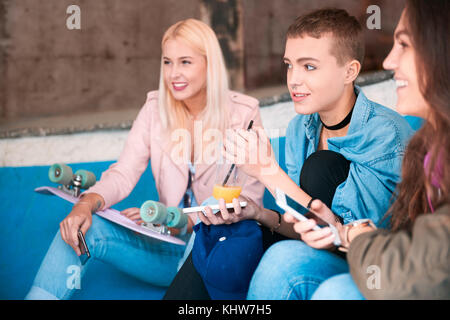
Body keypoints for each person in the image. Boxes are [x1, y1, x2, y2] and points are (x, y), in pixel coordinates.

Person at [24, 18, 265, 300]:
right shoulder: (154, 109)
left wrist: (179, 220)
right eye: (167, 62)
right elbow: (123, 172)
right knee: (82, 225)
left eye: (185, 62)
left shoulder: (243, 113)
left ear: (209, 64)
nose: (173, 73)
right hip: (168, 253)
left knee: (216, 203)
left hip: (218, 255)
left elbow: (247, 201)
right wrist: (85, 204)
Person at [219, 8, 415, 300]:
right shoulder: (301, 127)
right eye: (289, 65)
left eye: (308, 67)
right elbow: (310, 228)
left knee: (284, 253)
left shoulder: (384, 134)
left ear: (350, 71)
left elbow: (357, 239)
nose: (293, 79)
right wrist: (261, 214)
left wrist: (268, 171)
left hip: (376, 267)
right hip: (325, 251)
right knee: (226, 239)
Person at [309, 0, 449, 300]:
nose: (388, 62)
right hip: (380, 261)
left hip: (391, 273)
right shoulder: (427, 148)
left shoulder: (386, 130)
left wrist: (358, 236)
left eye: (405, 45)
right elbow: (410, 243)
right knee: (282, 260)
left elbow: (406, 273)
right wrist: (339, 228)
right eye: (289, 66)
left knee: (337, 292)